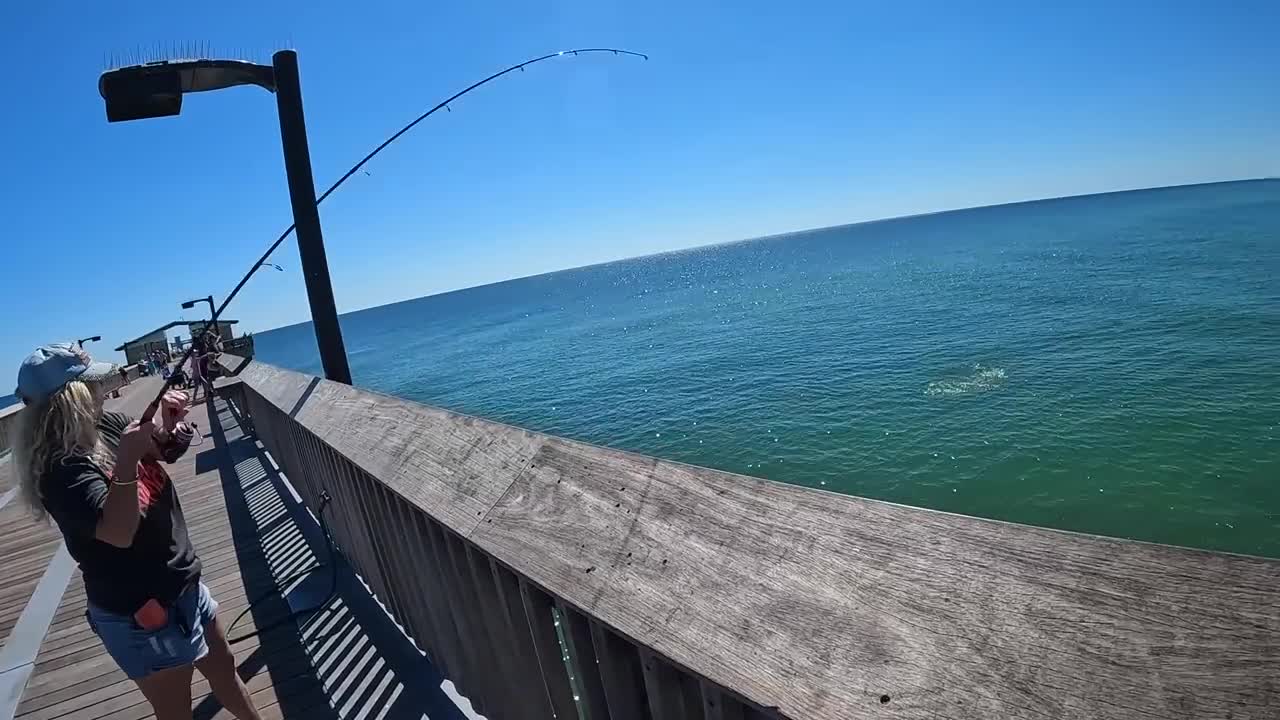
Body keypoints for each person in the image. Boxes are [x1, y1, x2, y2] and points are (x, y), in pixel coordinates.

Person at [10, 343, 261, 720]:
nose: (100, 389)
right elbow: (118, 532)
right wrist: (125, 462)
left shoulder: (105, 423)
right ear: (71, 396)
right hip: (140, 614)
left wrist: (171, 425)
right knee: (175, 710)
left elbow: (163, 450)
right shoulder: (60, 471)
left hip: (184, 584)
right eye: (90, 384)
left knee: (226, 672)